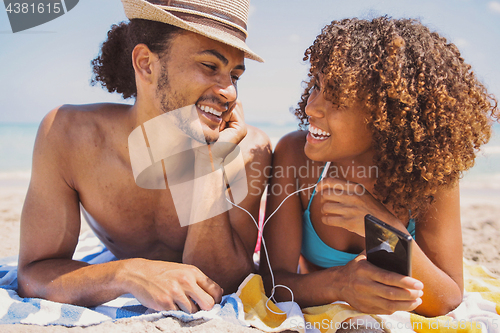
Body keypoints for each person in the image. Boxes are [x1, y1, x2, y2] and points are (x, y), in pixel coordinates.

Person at [17, 0, 271, 313]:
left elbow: (225, 283)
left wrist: (210, 166)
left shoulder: (247, 150)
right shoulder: (69, 137)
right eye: (209, 66)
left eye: (235, 75)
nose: (230, 92)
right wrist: (128, 272)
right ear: (146, 64)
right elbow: (33, 274)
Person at [261, 16, 498, 317]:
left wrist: (383, 225)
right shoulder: (295, 156)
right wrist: (340, 284)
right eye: (316, 86)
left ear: (386, 115)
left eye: (335, 96)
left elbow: (448, 297)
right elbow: (273, 282)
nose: (311, 107)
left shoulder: (429, 174)